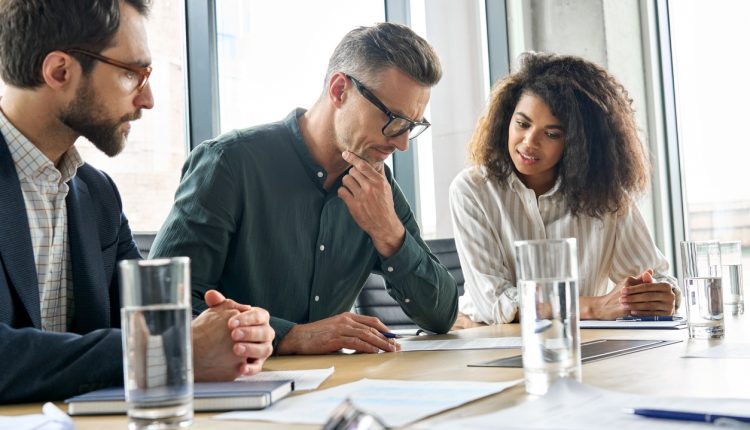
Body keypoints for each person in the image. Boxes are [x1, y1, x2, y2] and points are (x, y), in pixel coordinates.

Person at [0, 0, 274, 403]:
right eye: (133, 74)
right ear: (60, 71)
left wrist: (234, 334)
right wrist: (178, 350)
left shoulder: (98, 196)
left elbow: (154, 324)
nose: (148, 100)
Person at [150, 23, 458, 355]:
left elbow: (441, 316)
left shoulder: (377, 187)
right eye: (394, 120)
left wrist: (389, 232)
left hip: (335, 392)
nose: (402, 145)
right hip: (237, 391)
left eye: (412, 127)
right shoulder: (229, 164)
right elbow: (160, 304)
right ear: (340, 90)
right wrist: (291, 335)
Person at [449, 52, 680, 327]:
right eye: (522, 124)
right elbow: (495, 303)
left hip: (581, 344)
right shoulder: (472, 190)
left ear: (577, 143)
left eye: (551, 134)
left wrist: (658, 296)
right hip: (487, 338)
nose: (529, 142)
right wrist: (593, 307)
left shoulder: (605, 196)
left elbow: (659, 277)